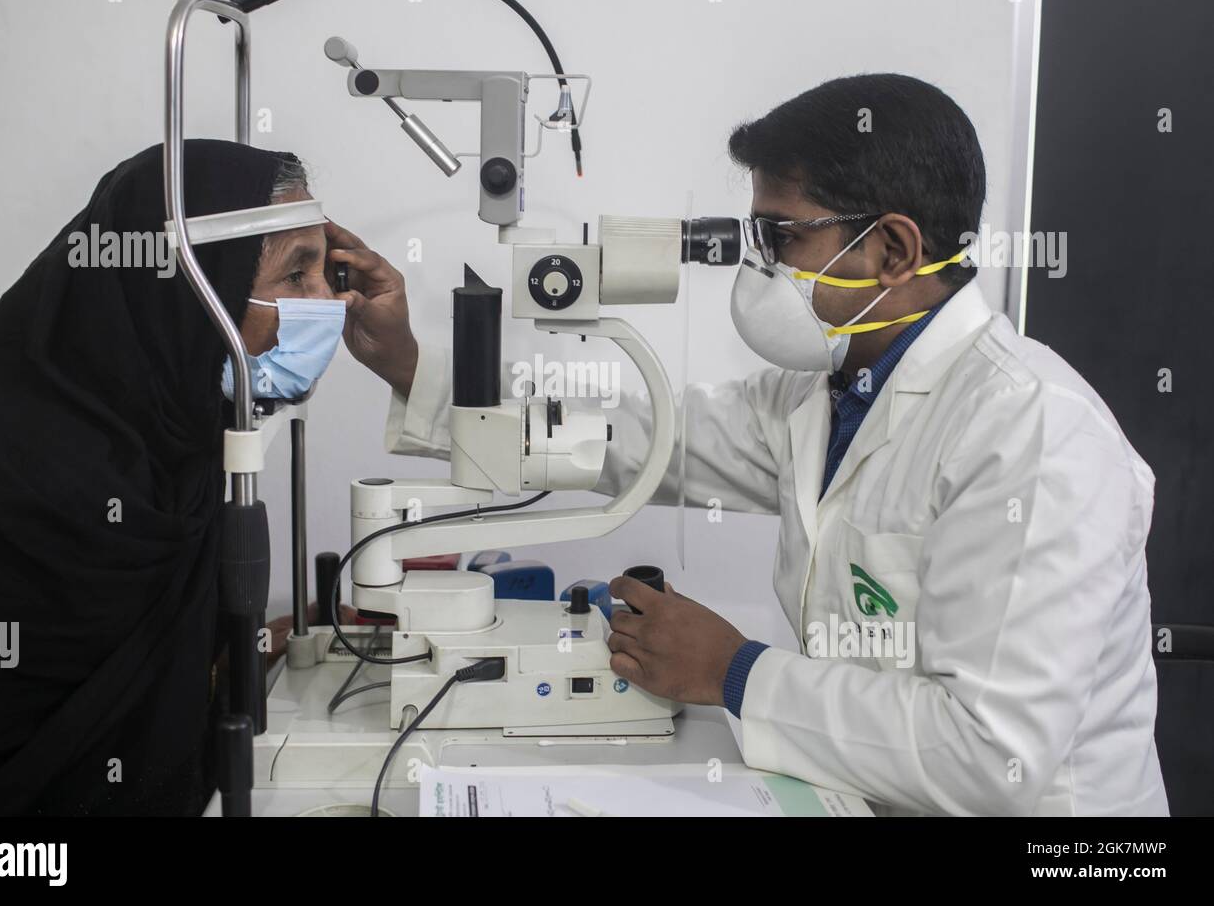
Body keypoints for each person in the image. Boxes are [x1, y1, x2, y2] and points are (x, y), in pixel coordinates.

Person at [333, 74, 1168, 816]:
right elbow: (641, 437)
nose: (757, 268)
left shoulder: (1032, 432)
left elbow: (993, 758)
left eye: (782, 238)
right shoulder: (823, 394)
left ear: (894, 250)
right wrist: (414, 366)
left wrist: (735, 671)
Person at [0, 139, 364, 814]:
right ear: (187, 289)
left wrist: (255, 646)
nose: (329, 302)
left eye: (325, 272)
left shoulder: (171, 437)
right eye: (296, 276)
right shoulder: (1, 490)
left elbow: (145, 670)